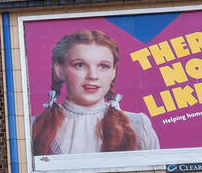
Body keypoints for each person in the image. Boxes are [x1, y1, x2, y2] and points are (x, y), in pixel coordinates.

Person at [30, 29, 159, 155]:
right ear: (60, 70)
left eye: (103, 66)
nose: (93, 76)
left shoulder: (138, 126)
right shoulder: (32, 127)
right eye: (80, 65)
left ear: (113, 72)